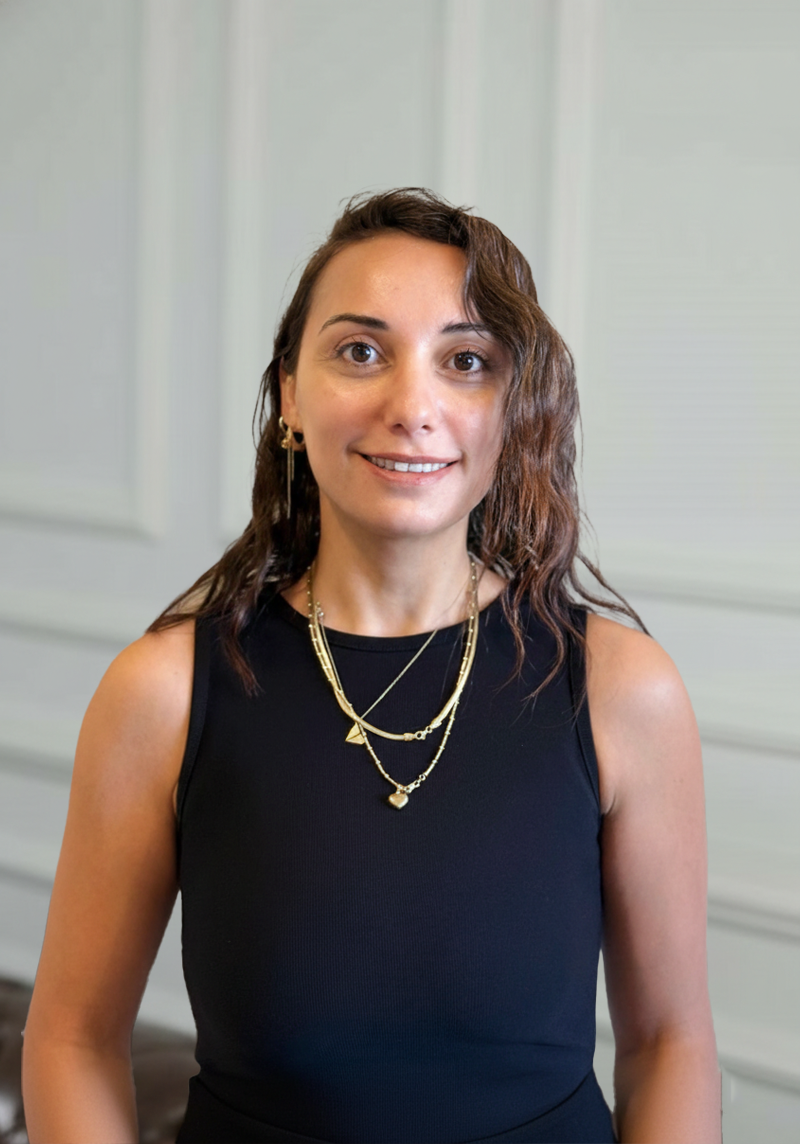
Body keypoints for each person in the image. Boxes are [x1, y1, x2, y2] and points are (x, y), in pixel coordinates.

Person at [22, 188, 720, 1143]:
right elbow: (71, 1037)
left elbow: (669, 1041)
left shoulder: (621, 690)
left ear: (513, 414)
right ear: (291, 400)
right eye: (360, 351)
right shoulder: (165, 691)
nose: (412, 406)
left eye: (465, 361)